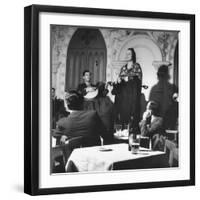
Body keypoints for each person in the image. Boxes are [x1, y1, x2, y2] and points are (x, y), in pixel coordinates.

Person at [56, 90, 107, 161]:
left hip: (74, 164)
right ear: (82, 103)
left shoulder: (62, 123)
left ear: (66, 105)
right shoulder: (93, 115)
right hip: (95, 160)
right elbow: (104, 132)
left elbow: (56, 140)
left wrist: (65, 136)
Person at [111, 48, 142, 129]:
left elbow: (138, 80)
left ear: (133, 55)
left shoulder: (136, 66)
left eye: (129, 54)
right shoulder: (123, 68)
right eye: (127, 54)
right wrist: (118, 81)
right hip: (123, 96)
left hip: (132, 95)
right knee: (123, 117)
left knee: (132, 118)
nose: (127, 55)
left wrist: (128, 79)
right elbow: (120, 80)